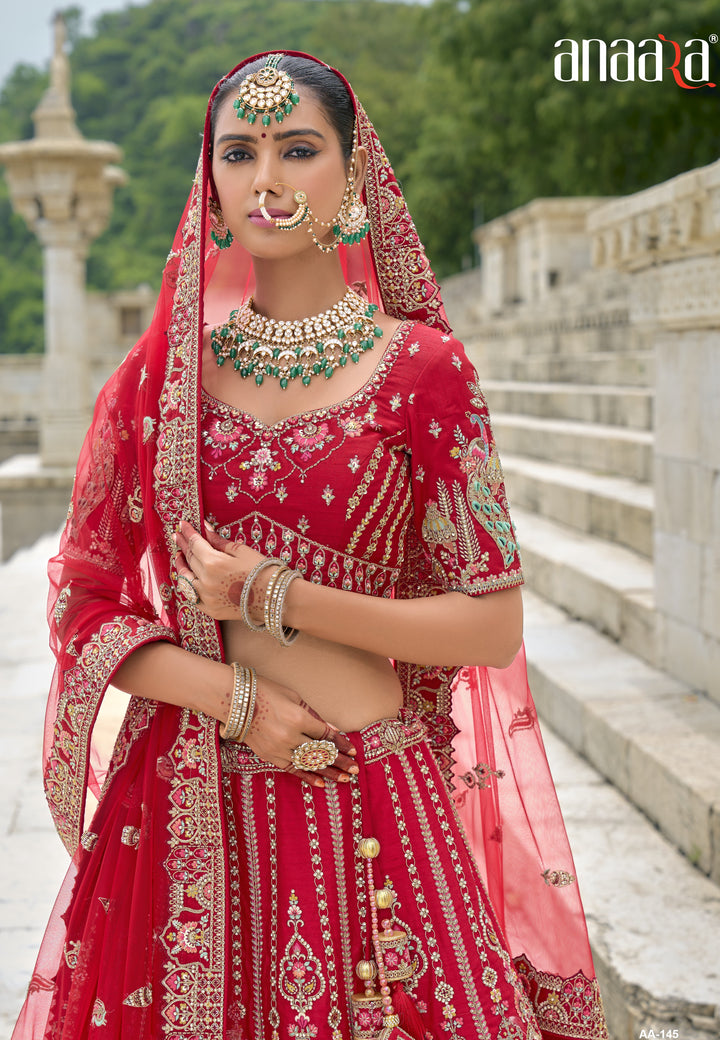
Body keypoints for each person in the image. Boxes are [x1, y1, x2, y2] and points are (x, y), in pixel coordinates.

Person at [12, 51, 609, 1040]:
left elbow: (492, 622)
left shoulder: (424, 370)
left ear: (355, 175)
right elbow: (83, 597)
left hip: (371, 790)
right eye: (238, 154)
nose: (268, 180)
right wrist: (238, 701)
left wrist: (271, 594)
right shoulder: (162, 382)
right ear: (210, 183)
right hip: (187, 804)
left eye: (298, 149)